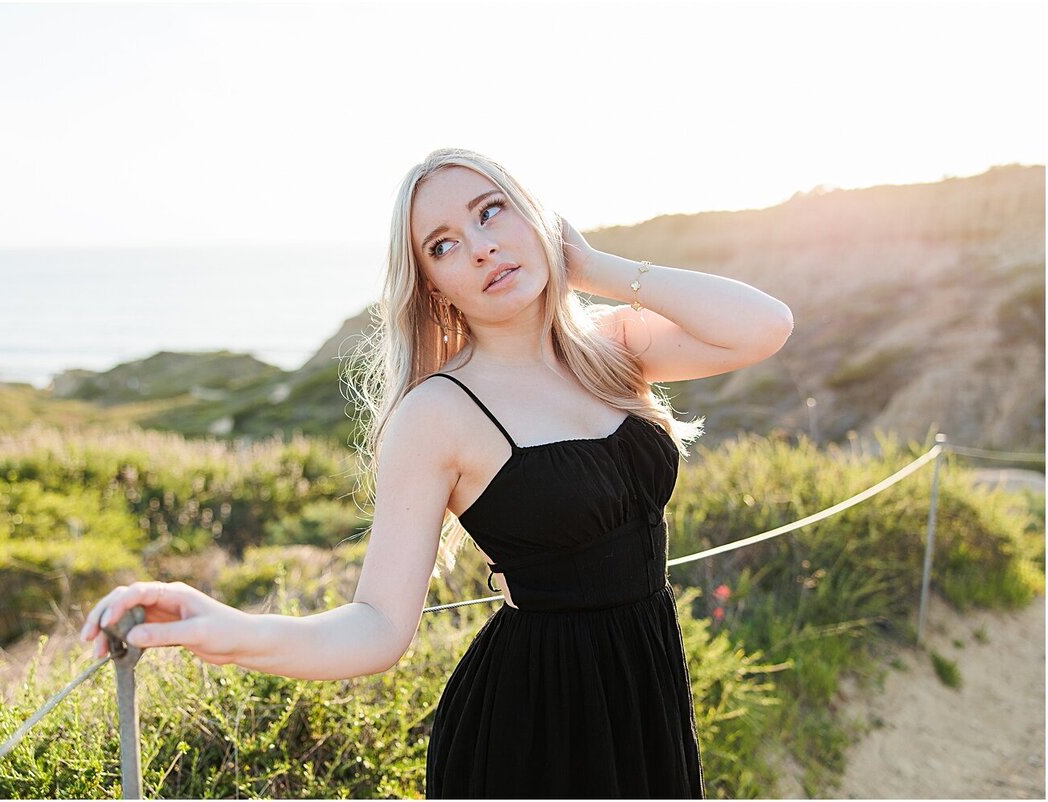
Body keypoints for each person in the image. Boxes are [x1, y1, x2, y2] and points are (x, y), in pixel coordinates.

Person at [80, 147, 794, 798]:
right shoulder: (438, 415)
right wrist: (225, 627)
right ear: (435, 286)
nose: (482, 247)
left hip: (644, 689)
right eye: (445, 246)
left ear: (535, 217)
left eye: (493, 212)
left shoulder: (612, 350)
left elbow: (765, 326)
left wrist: (594, 266)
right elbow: (376, 628)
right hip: (536, 725)